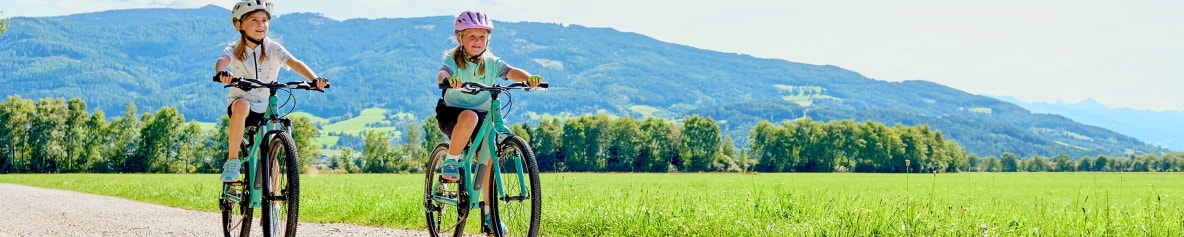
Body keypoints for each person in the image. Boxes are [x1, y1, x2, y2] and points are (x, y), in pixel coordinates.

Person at [214, 0, 328, 182]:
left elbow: (294, 62)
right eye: (254, 20)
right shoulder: (235, 49)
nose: (261, 24)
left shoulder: (273, 48)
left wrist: (314, 79)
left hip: (264, 105)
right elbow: (222, 60)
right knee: (242, 104)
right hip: (241, 105)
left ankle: (273, 201)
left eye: (265, 20)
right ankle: (232, 160)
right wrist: (221, 73)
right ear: (239, 25)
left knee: (271, 148)